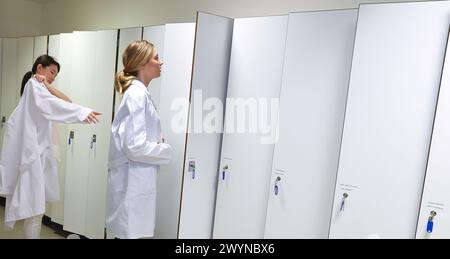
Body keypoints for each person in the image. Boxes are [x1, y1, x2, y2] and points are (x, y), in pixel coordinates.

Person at [0, 55, 101, 239]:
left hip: (38, 156)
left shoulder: (39, 87)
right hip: (33, 157)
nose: (54, 76)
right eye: (51, 72)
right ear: (40, 68)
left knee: (35, 209)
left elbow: (65, 101)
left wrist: (47, 84)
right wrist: (81, 112)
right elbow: (51, 105)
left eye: (56, 74)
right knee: (35, 209)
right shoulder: (33, 85)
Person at [106, 40, 172, 239]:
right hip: (131, 185)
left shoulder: (139, 93)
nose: (161, 62)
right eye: (156, 58)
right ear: (142, 63)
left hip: (135, 183)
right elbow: (134, 147)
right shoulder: (136, 95)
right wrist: (164, 149)